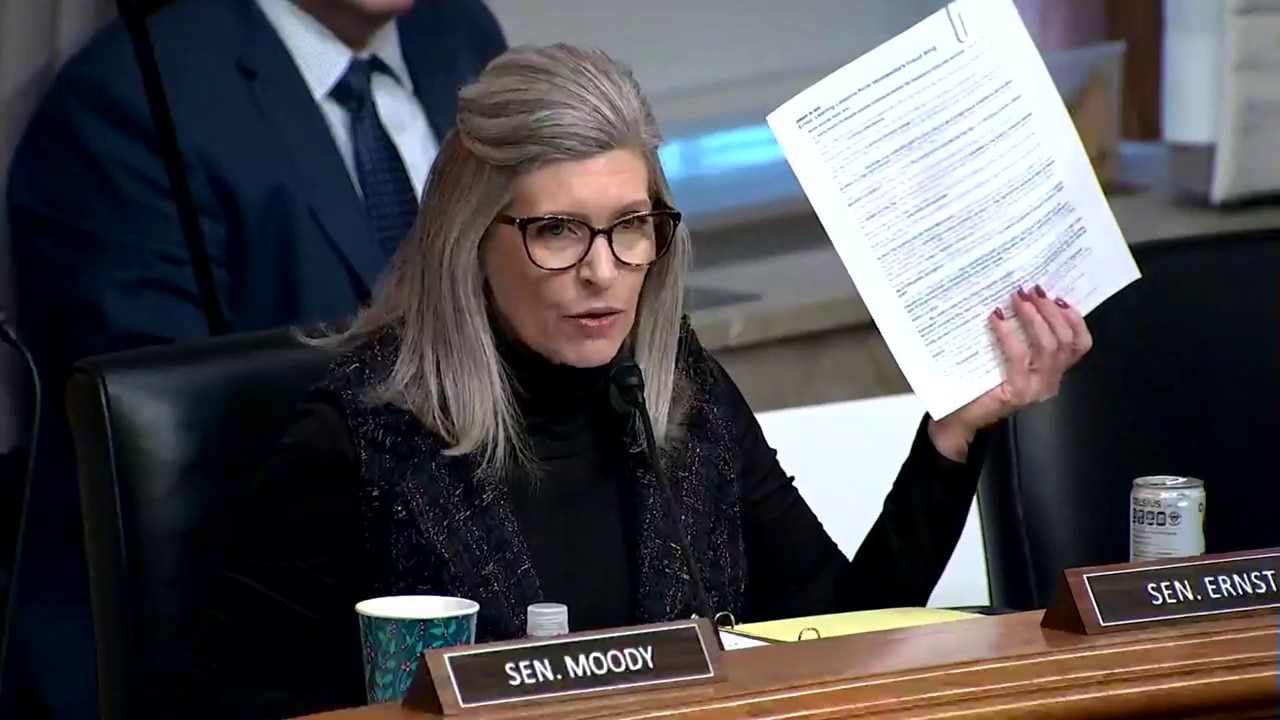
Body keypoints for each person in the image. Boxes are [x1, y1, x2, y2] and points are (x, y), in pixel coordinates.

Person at [178, 43, 1095, 718]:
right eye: (557, 231)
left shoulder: (680, 391)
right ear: (470, 241)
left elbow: (829, 636)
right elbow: (236, 704)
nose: (604, 271)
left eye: (631, 225)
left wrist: (951, 438)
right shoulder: (361, 437)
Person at [2, 0, 506, 716]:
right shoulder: (134, 95)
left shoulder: (458, 31)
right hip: (251, 636)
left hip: (467, 602)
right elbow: (173, 455)